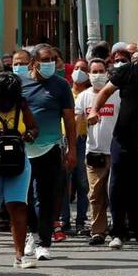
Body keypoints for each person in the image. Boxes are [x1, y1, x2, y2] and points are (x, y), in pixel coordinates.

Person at [89, 33, 138, 250]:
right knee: (118, 185)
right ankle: (117, 232)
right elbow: (105, 91)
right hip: (122, 138)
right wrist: (94, 110)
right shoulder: (125, 71)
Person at [0, 73, 40, 268]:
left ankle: (20, 256)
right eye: (3, 97)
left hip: (17, 161)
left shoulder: (21, 104)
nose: (7, 101)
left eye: (10, 97)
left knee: (18, 205)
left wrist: (30, 135)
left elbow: (33, 127)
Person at [20, 44, 76, 261]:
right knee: (23, 198)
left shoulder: (61, 85)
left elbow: (69, 120)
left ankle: (44, 242)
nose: (50, 63)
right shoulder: (20, 83)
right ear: (33, 63)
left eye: (52, 59)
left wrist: (71, 150)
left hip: (50, 148)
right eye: (45, 60)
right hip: (23, 151)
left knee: (46, 197)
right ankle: (32, 233)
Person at [74, 59, 120, 246]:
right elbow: (77, 120)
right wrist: (71, 145)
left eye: (101, 71)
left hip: (115, 151)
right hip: (94, 152)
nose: (98, 75)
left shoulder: (117, 95)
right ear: (89, 74)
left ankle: (118, 229)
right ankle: (98, 231)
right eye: (94, 71)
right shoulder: (83, 96)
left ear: (107, 73)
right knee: (95, 194)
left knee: (114, 193)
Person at [61, 58, 90, 237]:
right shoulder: (66, 92)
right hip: (64, 139)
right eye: (77, 68)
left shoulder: (91, 94)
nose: (79, 71)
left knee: (82, 183)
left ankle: (81, 220)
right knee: (64, 181)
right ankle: (64, 220)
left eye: (83, 69)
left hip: (84, 140)